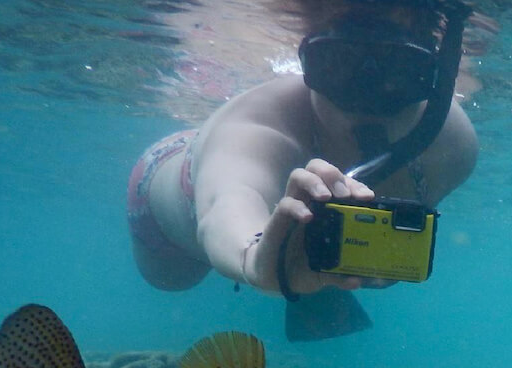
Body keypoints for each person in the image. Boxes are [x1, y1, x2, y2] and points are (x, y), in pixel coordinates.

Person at [127, 0, 479, 340]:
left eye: (399, 70)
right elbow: (227, 203)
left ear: (433, 75)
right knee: (173, 281)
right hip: (170, 184)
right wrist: (258, 262)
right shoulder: (261, 124)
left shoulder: (453, 144)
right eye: (339, 62)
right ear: (306, 62)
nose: (367, 90)